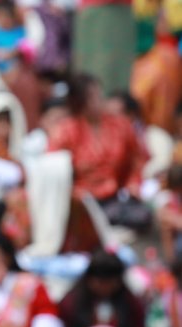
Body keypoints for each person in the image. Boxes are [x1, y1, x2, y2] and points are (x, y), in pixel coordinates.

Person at [48, 74, 150, 231]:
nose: (99, 100)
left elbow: (138, 157)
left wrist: (133, 183)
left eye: (99, 94)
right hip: (81, 202)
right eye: (92, 97)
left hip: (116, 197)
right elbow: (52, 169)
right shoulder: (65, 131)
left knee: (144, 216)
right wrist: (73, 194)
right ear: (80, 101)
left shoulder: (119, 125)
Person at [58, 251, 147, 327]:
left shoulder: (130, 303)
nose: (105, 288)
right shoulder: (71, 303)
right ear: (89, 280)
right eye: (101, 283)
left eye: (110, 283)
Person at [0, 1, 26, 75]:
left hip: (16, 73)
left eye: (6, 16)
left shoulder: (20, 32)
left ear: (12, 17)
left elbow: (22, 51)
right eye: (0, 16)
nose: (3, 19)